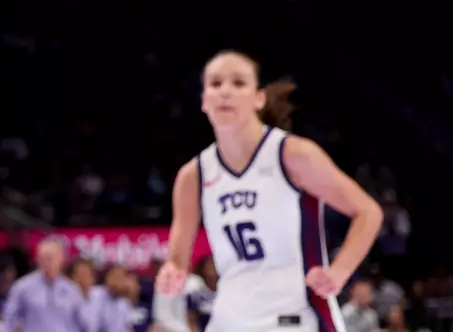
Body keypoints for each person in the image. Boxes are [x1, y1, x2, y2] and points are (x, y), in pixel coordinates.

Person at [155, 52, 384, 332]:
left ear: (258, 99)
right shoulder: (193, 175)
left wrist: (339, 271)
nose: (225, 91)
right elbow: (177, 260)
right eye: (215, 84)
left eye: (238, 83)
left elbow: (368, 211)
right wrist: (172, 272)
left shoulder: (293, 155)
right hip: (230, 318)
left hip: (295, 314)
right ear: (204, 100)